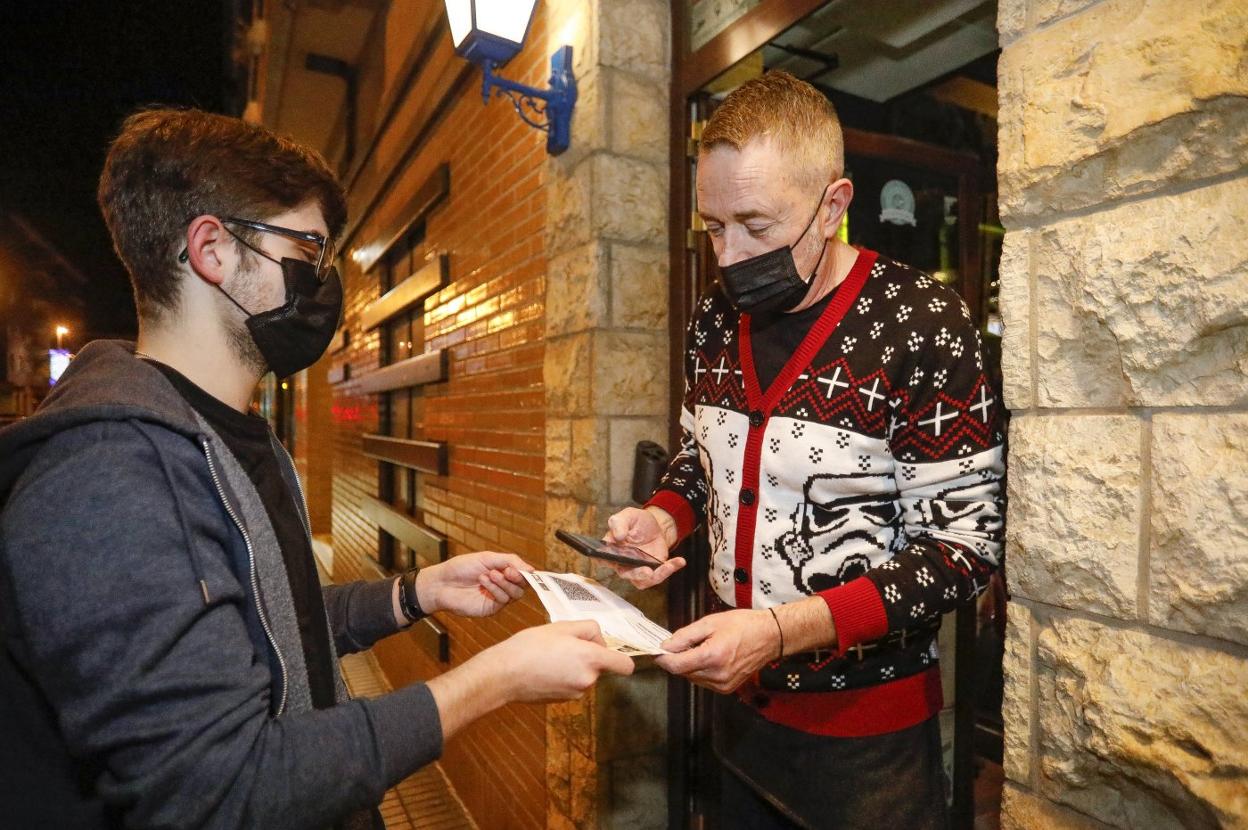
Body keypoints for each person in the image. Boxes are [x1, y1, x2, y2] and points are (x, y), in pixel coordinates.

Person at [0, 108, 633, 829]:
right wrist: (492, 680)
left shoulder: (241, 439)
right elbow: (224, 788)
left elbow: (270, 627)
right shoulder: (104, 481)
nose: (324, 281)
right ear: (212, 248)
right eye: (307, 250)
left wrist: (416, 593)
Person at [604, 72, 1005, 829]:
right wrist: (663, 519)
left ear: (833, 205)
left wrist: (781, 633)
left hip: (870, 749)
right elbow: (702, 458)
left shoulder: (923, 324)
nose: (728, 257)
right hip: (735, 724)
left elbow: (962, 551)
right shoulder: (715, 318)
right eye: (713, 227)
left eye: (755, 226)